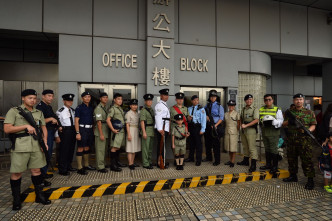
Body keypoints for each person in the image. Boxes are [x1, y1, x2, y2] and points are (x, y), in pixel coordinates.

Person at [4, 89, 51, 210]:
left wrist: (45, 142)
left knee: (37, 171)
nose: (33, 100)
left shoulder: (38, 112)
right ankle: (16, 199)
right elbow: (7, 129)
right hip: (20, 146)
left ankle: (39, 196)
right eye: (30, 98)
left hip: (36, 145)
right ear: (23, 98)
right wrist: (25, 126)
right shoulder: (14, 111)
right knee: (17, 172)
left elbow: (43, 128)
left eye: (35, 98)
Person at [283, 93, 317, 190]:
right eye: (297, 99)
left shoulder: (309, 112)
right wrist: (289, 122)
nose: (299, 101)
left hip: (304, 141)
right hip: (291, 140)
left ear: (303, 101)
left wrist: (309, 131)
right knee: (291, 159)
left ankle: (310, 180)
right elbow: (283, 124)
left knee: (307, 160)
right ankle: (293, 176)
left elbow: (313, 125)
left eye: (300, 99)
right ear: (294, 101)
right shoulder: (289, 112)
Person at [36, 89, 59, 185]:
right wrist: (50, 119)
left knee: (48, 153)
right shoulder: (40, 107)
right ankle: (41, 177)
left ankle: (44, 173)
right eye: (49, 96)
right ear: (43, 96)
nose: (51, 98)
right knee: (44, 153)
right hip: (45, 133)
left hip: (50, 132)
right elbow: (38, 121)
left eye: (52, 96)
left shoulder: (48, 107)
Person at [259, 94, 284, 174]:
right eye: (266, 100)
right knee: (267, 148)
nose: (268, 101)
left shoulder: (277, 109)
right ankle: (268, 164)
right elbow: (259, 120)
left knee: (273, 149)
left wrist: (273, 121)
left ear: (272, 100)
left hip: (273, 132)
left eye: (269, 99)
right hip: (264, 131)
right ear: (264, 101)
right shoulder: (261, 109)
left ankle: (275, 166)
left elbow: (281, 121)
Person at [75, 91, 96, 175]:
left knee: (87, 147)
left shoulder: (91, 107)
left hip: (90, 130)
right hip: (82, 129)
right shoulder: (79, 108)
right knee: (80, 147)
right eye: (86, 97)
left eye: (89, 97)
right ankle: (80, 168)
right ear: (82, 98)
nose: (87, 98)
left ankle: (86, 165)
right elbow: (76, 121)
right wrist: (77, 132)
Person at [56, 93, 77, 176]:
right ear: (63, 101)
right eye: (68, 100)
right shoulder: (60, 111)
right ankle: (62, 169)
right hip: (65, 132)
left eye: (71, 101)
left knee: (71, 149)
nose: (70, 102)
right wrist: (56, 135)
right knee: (64, 150)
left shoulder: (73, 110)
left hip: (72, 131)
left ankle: (68, 165)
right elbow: (57, 124)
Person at [238, 94, 259, 172]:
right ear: (245, 101)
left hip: (251, 130)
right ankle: (246, 161)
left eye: (251, 99)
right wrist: (241, 125)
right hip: (244, 130)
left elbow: (256, 120)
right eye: (247, 100)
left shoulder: (255, 109)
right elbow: (241, 118)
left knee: (252, 147)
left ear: (252, 100)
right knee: (245, 146)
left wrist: (246, 125)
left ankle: (253, 165)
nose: (249, 101)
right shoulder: (243, 109)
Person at [204, 89, 224, 166]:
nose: (213, 98)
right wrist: (206, 116)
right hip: (208, 126)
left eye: (214, 97)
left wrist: (215, 126)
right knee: (207, 143)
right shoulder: (207, 105)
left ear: (216, 97)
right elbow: (203, 112)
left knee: (216, 144)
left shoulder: (219, 106)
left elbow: (221, 118)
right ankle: (209, 157)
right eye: (211, 97)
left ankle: (217, 160)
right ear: (209, 97)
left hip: (216, 126)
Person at [106, 93, 126, 172]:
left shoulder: (120, 108)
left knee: (118, 147)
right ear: (114, 100)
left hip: (121, 131)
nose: (120, 101)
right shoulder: (113, 109)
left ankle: (117, 162)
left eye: (121, 99)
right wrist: (112, 129)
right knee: (114, 148)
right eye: (118, 99)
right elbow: (108, 120)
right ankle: (113, 165)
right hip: (116, 131)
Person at [186, 95, 206, 166]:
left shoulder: (201, 109)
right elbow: (186, 118)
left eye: (197, 100)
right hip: (190, 126)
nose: (195, 101)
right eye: (194, 100)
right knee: (191, 143)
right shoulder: (189, 108)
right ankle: (191, 158)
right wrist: (188, 119)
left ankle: (198, 160)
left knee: (198, 144)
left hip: (197, 126)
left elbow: (203, 120)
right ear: (192, 101)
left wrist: (202, 129)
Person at [94, 92, 110, 173]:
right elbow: (99, 122)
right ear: (100, 99)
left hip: (105, 129)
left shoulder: (105, 107)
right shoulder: (98, 108)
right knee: (100, 149)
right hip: (101, 130)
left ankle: (103, 163)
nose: (105, 99)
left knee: (104, 149)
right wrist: (101, 134)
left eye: (106, 97)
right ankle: (100, 166)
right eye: (104, 97)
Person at [155, 88, 170, 169]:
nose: (166, 96)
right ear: (161, 96)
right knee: (161, 146)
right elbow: (158, 117)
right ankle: (160, 163)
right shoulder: (159, 105)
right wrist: (160, 129)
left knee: (162, 146)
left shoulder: (164, 104)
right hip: (162, 129)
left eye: (167, 95)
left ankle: (161, 161)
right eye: (164, 95)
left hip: (165, 127)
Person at [224, 100, 240, 168]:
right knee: (229, 147)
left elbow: (239, 123)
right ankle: (230, 160)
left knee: (233, 148)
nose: (231, 107)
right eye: (230, 105)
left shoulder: (237, 113)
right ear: (228, 106)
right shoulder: (226, 114)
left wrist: (236, 131)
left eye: (232, 106)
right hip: (227, 132)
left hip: (234, 132)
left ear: (234, 106)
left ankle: (232, 162)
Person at [125, 99, 141, 170]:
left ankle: (133, 162)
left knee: (134, 148)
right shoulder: (128, 113)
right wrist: (128, 134)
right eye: (133, 105)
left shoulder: (137, 113)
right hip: (131, 130)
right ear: (130, 106)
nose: (134, 106)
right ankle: (130, 163)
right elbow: (127, 124)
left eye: (136, 105)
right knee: (130, 148)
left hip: (136, 130)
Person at [140, 94, 155, 169]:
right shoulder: (143, 110)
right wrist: (144, 132)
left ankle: (149, 161)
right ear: (145, 101)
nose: (149, 102)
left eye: (150, 100)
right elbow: (142, 122)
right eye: (147, 100)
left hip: (151, 130)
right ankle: (145, 163)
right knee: (145, 148)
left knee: (150, 148)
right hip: (146, 130)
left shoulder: (151, 109)